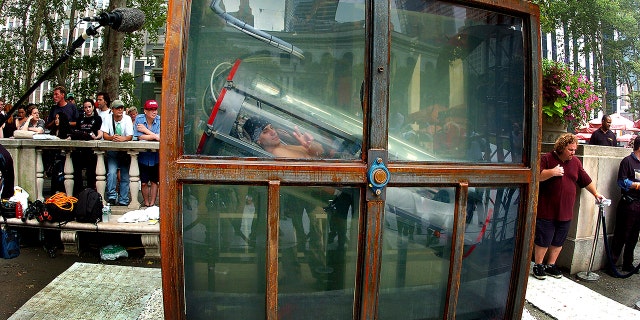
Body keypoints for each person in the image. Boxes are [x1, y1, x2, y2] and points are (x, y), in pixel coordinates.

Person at [533, 133, 605, 280]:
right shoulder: (547, 158)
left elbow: (586, 180)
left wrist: (596, 194)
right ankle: (538, 265)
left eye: (575, 149)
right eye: (570, 149)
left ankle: (550, 265)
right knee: (543, 238)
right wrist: (552, 172)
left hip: (565, 210)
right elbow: (536, 176)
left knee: (559, 239)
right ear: (561, 148)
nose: (573, 152)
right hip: (546, 209)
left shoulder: (576, 162)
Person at [611, 135, 640, 273]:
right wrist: (636, 185)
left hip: (639, 204)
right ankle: (612, 264)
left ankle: (628, 264)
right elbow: (621, 182)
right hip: (629, 203)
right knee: (621, 235)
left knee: (634, 236)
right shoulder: (627, 161)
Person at [101, 99, 133, 205]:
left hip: (124, 151)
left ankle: (123, 199)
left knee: (125, 175)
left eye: (121, 108)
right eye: (117, 108)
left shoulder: (127, 119)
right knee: (111, 173)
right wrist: (112, 137)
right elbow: (104, 135)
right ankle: (111, 196)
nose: (120, 110)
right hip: (112, 150)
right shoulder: (107, 118)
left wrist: (123, 139)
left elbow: (130, 136)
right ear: (112, 110)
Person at [242, 116, 324, 158]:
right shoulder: (277, 152)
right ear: (258, 141)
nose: (273, 132)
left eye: (272, 127)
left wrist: (309, 145)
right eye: (265, 131)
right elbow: (310, 171)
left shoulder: (284, 146)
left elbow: (321, 151)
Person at [71, 99, 103, 195]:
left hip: (91, 151)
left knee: (91, 174)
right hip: (80, 150)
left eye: (89, 107)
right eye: (85, 107)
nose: (88, 109)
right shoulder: (80, 119)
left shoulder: (97, 119)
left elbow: (97, 132)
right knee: (76, 173)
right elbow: (76, 132)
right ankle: (78, 193)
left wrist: (94, 137)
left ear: (93, 107)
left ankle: (90, 195)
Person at [134, 100, 160, 207]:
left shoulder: (160, 120)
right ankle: (146, 202)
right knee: (144, 182)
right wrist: (154, 136)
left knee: (154, 181)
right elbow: (138, 137)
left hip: (155, 157)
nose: (154, 112)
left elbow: (160, 138)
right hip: (143, 156)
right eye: (151, 110)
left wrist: (146, 130)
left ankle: (152, 203)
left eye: (155, 109)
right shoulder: (139, 119)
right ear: (145, 111)